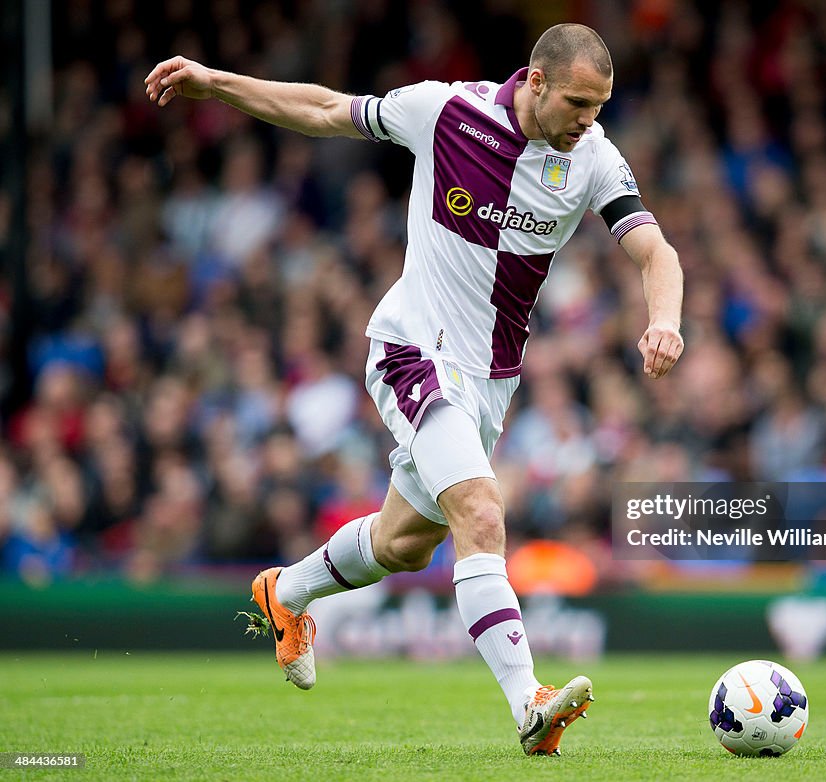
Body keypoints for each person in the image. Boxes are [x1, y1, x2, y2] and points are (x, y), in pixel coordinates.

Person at [145, 22, 684, 756]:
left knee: (402, 545)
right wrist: (217, 82)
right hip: (414, 349)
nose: (588, 120)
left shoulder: (592, 157)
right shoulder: (446, 112)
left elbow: (656, 250)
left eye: (600, 106)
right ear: (535, 81)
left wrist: (666, 321)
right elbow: (325, 109)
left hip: (491, 380)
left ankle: (287, 593)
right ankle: (528, 702)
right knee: (481, 512)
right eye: (578, 103)